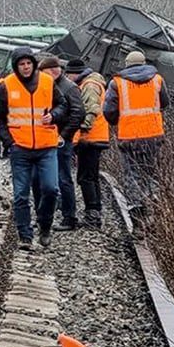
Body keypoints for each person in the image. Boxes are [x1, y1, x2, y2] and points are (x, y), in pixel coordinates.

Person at [0, 47, 68, 250]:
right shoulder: (6, 85)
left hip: (46, 146)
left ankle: (45, 225)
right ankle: (25, 235)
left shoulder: (47, 81)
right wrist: (10, 142)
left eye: (28, 63)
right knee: (21, 194)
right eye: (21, 64)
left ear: (33, 64)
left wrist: (54, 115)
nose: (25, 67)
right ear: (15, 67)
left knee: (51, 189)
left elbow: (62, 105)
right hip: (20, 148)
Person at [103, 50, 169, 219]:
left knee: (132, 174)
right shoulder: (157, 79)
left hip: (129, 136)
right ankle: (155, 204)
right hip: (154, 135)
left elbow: (109, 111)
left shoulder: (117, 83)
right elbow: (165, 103)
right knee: (152, 171)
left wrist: (116, 122)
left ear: (126, 64)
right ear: (144, 62)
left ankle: (137, 210)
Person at [36, 56, 84, 230]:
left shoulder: (69, 88)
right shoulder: (55, 85)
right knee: (53, 178)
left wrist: (64, 136)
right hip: (51, 138)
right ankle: (57, 211)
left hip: (61, 140)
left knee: (64, 178)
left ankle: (69, 218)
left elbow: (78, 113)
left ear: (52, 71)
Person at [66, 58, 109, 228]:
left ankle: (93, 215)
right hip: (95, 137)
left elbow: (91, 110)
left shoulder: (89, 85)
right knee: (91, 176)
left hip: (90, 138)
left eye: (68, 75)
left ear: (74, 74)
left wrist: (80, 128)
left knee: (85, 177)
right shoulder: (91, 83)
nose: (67, 78)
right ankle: (95, 211)